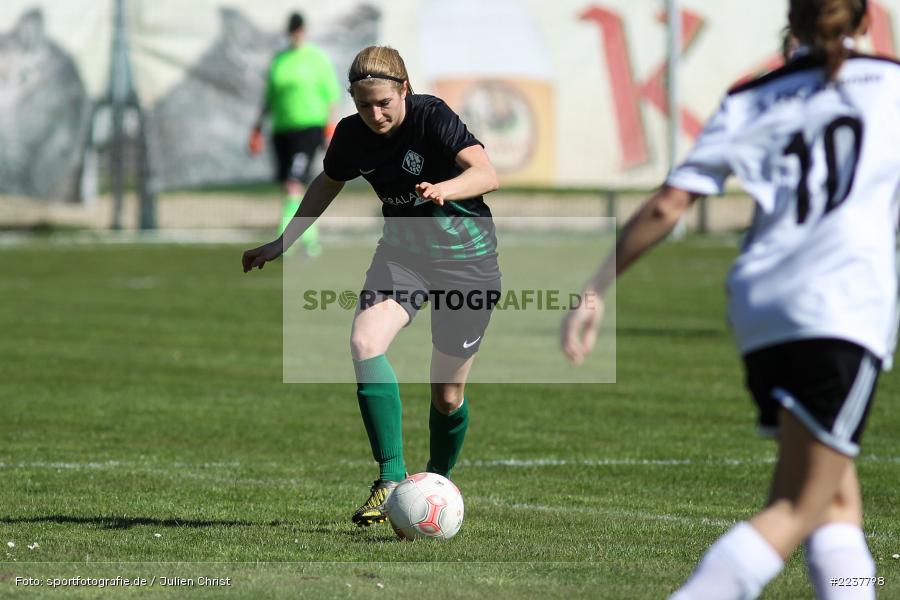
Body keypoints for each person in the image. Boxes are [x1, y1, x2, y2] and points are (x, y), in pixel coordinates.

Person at [562, 1, 893, 598]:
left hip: (761, 306)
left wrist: (594, 287)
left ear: (792, 23)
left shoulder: (752, 97)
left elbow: (668, 205)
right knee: (795, 505)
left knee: (836, 501)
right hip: (841, 306)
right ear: (868, 17)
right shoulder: (893, 87)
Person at [242, 46, 501, 527]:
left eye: (383, 102)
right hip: (404, 257)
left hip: (468, 263)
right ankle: (390, 478)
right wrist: (283, 241)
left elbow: (486, 173)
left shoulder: (432, 117)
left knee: (446, 394)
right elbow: (326, 182)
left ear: (404, 89)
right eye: (364, 105)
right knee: (364, 341)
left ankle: (436, 484)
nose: (375, 114)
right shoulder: (352, 135)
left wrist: (447, 189)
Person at [250, 12, 340, 257]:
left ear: (305, 30)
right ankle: (308, 239)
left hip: (309, 128)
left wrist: (330, 128)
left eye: (299, 29)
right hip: (282, 130)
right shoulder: (279, 60)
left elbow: (331, 96)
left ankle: (287, 241)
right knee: (290, 187)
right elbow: (269, 98)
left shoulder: (316, 59)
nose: (296, 33)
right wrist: (257, 127)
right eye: (293, 29)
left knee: (294, 183)